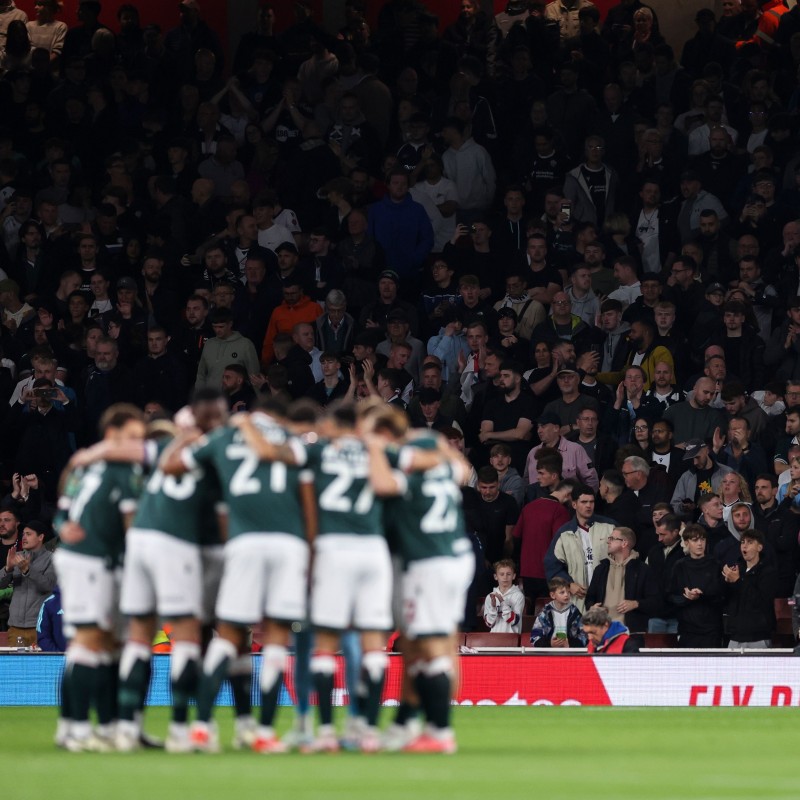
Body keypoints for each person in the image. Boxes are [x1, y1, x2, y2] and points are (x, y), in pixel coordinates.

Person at [161, 400, 311, 755]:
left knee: (227, 637)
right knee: (275, 641)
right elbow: (308, 492)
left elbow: (170, 466)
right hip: (289, 542)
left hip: (243, 543)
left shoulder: (225, 436)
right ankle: (263, 733)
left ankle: (199, 727)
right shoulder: (291, 437)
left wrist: (184, 436)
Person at [365, 409, 473, 755]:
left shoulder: (404, 470)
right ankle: (408, 721)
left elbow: (382, 484)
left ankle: (439, 731)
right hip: (452, 556)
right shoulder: (439, 462)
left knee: (433, 646)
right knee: (418, 643)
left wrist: (372, 446)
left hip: (429, 562)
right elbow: (463, 469)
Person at [54, 404, 147, 752]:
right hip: (92, 561)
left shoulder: (84, 467)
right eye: (132, 437)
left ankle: (84, 726)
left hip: (84, 559)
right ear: (112, 435)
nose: (136, 445)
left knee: (102, 645)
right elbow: (131, 525)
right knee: (89, 642)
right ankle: (79, 730)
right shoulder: (124, 470)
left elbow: (62, 513)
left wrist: (64, 529)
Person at [544, 484, 614, 611]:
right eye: (584, 502)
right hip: (577, 599)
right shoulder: (564, 533)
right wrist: (569, 584)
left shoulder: (610, 527)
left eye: (591, 502)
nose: (588, 505)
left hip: (607, 598)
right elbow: (552, 565)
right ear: (574, 504)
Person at [512, 479, 573, 600]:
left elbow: (516, 536)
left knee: (529, 613)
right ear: (568, 495)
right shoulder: (560, 511)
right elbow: (561, 543)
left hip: (527, 570)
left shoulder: (528, 507)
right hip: (549, 572)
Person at [585, 526, 653, 633]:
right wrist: (592, 607)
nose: (608, 542)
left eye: (612, 539)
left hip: (631, 633)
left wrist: (635, 603)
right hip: (602, 632)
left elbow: (655, 601)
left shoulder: (642, 570)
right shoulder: (601, 569)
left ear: (624, 543)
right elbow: (589, 598)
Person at [0, 519, 55, 647]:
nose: (24, 537)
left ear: (41, 537)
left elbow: (49, 586)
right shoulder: (17, 556)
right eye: (23, 534)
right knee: (15, 666)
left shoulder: (51, 559)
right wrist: (7, 569)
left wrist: (28, 570)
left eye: (29, 534)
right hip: (15, 627)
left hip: (39, 626)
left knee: (39, 666)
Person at [669, 524, 725, 648]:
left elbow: (722, 594)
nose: (700, 543)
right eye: (695, 540)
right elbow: (671, 595)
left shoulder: (716, 564)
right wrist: (686, 598)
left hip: (712, 629)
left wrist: (701, 595)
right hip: (687, 629)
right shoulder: (679, 566)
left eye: (702, 539)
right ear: (687, 543)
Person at [722, 528, 777, 650]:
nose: (744, 546)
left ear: (760, 547)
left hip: (758, 636)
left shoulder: (768, 572)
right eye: (742, 542)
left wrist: (738, 581)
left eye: (750, 542)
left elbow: (760, 600)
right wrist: (727, 583)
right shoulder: (736, 570)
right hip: (735, 636)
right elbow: (727, 600)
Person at [643, 513, 685, 635]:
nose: (659, 539)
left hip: (678, 614)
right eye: (658, 534)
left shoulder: (685, 552)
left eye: (663, 534)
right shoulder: (654, 551)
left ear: (676, 532)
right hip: (655, 614)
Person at [671, 439, 733, 518]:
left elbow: (736, 501)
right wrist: (684, 508)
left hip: (721, 525)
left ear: (706, 450)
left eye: (697, 457)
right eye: (692, 459)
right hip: (694, 526)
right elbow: (674, 506)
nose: (695, 462)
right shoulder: (686, 477)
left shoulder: (726, 473)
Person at [529, 577, 587, 648]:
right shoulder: (545, 612)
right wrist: (550, 644)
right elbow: (534, 636)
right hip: (549, 653)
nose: (566, 595)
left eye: (568, 592)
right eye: (562, 592)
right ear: (553, 595)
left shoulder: (575, 612)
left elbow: (584, 634)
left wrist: (570, 644)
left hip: (570, 652)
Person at [482, 559, 525, 633]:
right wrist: (493, 608)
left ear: (514, 576)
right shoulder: (490, 597)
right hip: (494, 639)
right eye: (502, 574)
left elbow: (514, 621)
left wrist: (502, 602)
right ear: (495, 576)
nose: (505, 577)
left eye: (508, 574)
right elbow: (489, 623)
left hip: (512, 639)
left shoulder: (518, 596)